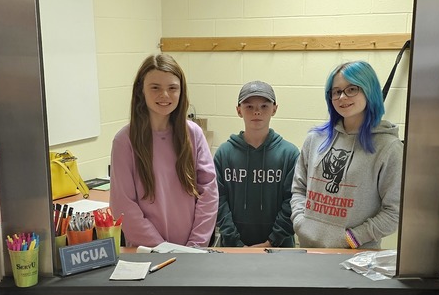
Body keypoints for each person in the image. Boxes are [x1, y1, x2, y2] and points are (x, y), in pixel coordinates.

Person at [290, 60, 403, 249]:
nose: (342, 97)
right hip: (307, 249)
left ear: (369, 90)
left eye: (352, 89)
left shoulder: (388, 147)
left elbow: (394, 212)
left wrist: (352, 238)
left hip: (354, 257)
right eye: (336, 91)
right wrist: (301, 223)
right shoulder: (315, 139)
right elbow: (299, 188)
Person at [110, 53, 217, 247]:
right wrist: (162, 249)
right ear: (141, 91)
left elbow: (208, 194)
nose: (165, 95)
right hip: (147, 252)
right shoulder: (124, 141)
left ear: (181, 91)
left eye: (172, 88)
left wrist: (195, 246)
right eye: (155, 88)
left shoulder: (193, 134)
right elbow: (123, 205)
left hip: (192, 251)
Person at [214, 80, 300, 247]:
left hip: (279, 249)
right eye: (249, 106)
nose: (257, 112)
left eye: (264, 106)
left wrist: (271, 242)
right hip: (233, 249)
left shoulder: (289, 154)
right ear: (239, 110)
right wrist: (236, 243)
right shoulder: (224, 154)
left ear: (274, 109)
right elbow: (218, 201)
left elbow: (293, 202)